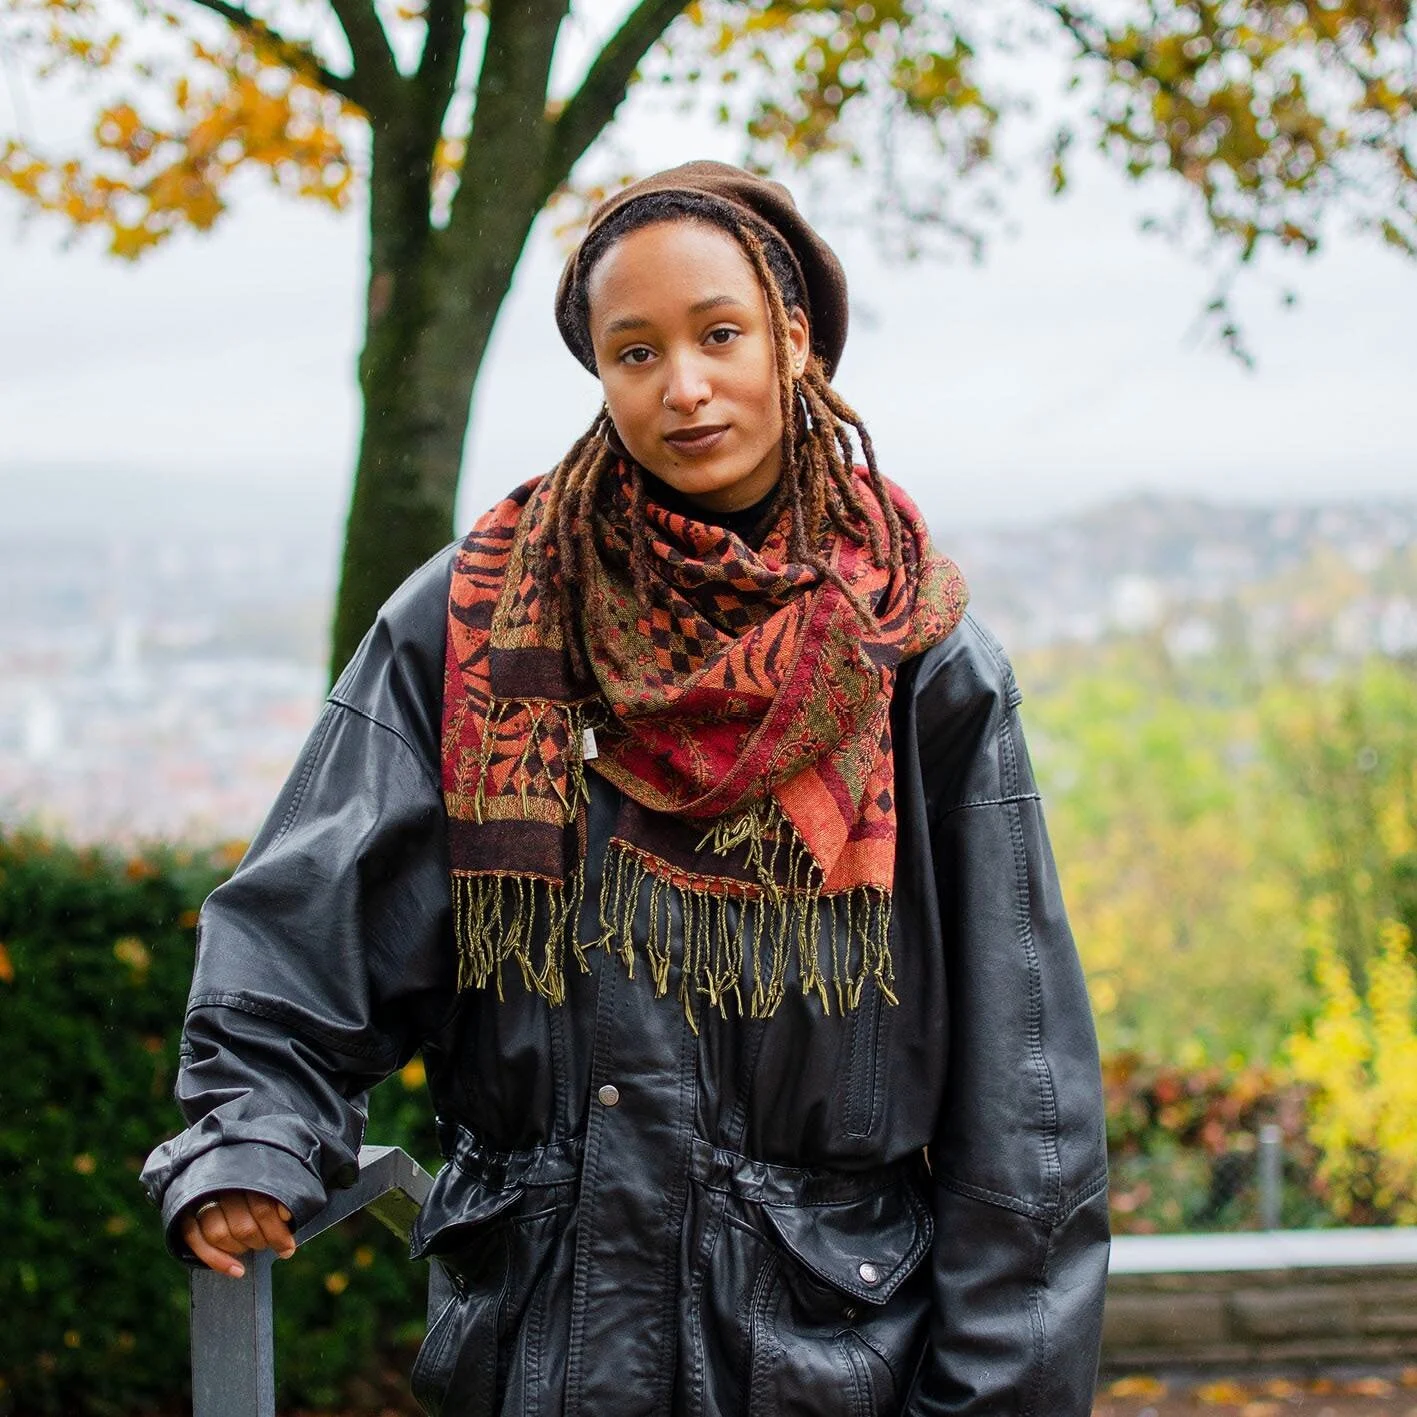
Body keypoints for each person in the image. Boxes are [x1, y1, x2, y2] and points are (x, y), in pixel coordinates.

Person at [143, 160, 1110, 1416]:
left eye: (721, 334)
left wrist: (999, 1399)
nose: (685, 385)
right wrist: (246, 1139)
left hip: (827, 1364)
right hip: (533, 1348)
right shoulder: (471, 620)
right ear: (599, 371)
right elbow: (303, 928)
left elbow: (1021, 1093)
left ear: (794, 337)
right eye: (635, 351)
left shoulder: (916, 652)